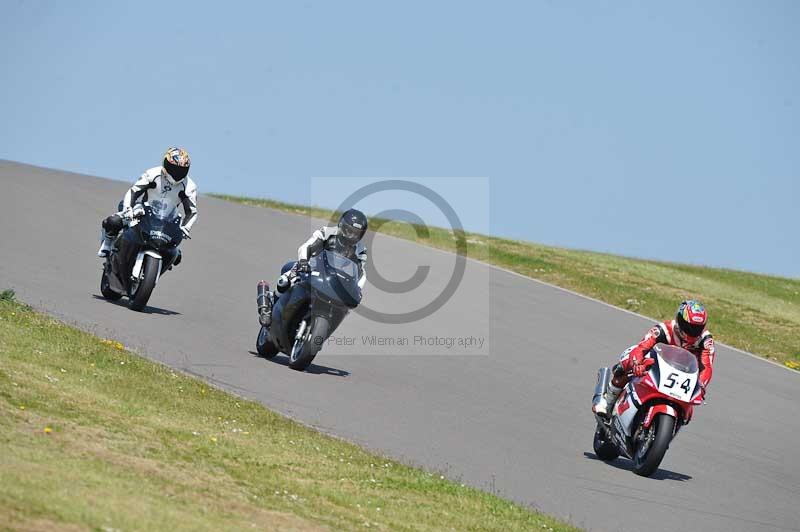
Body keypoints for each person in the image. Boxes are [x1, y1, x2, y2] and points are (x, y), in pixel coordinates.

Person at [592, 300, 716, 416]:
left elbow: (707, 366)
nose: (692, 331)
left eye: (697, 328)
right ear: (679, 320)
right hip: (655, 366)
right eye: (688, 326)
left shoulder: (705, 340)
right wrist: (636, 364)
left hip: (682, 376)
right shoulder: (664, 329)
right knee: (626, 360)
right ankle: (607, 401)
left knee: (689, 412)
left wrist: (701, 385)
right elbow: (642, 347)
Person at [258, 209, 368, 326]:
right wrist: (304, 261)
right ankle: (269, 306)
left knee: (345, 309)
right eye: (349, 231)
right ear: (342, 225)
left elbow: (360, 273)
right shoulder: (327, 233)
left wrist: (357, 289)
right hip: (312, 268)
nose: (352, 236)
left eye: (357, 233)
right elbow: (307, 246)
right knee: (284, 281)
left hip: (336, 281)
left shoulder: (360, 250)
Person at [97, 147, 198, 257]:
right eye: (173, 168)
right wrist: (128, 210)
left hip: (166, 221)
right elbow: (133, 192)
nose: (176, 173)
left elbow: (192, 212)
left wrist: (185, 228)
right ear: (165, 163)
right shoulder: (153, 174)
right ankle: (107, 244)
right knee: (113, 221)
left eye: (181, 170)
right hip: (143, 212)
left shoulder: (189, 186)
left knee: (176, 255)